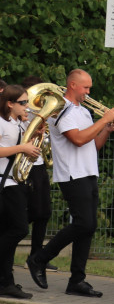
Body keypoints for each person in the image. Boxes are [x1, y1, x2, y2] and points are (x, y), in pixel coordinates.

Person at [27, 69, 114, 297]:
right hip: (72, 174)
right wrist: (105, 119)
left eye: (89, 88)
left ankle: (77, 280)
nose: (89, 92)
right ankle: (38, 259)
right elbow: (78, 140)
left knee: (88, 228)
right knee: (83, 223)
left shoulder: (83, 112)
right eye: (85, 88)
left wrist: (106, 129)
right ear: (72, 85)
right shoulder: (63, 111)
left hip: (88, 172)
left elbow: (93, 144)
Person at [1, 84, 41, 298]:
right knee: (18, 229)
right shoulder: (1, 122)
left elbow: (28, 152)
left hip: (15, 182)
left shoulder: (18, 123)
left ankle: (6, 282)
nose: (28, 106)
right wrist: (22, 148)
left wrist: (34, 139)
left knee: (10, 230)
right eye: (23, 103)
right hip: (4, 184)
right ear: (9, 104)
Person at [20, 76, 54, 267]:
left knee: (44, 212)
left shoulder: (40, 113)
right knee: (26, 215)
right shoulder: (21, 113)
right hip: (24, 167)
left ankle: (35, 256)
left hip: (38, 165)